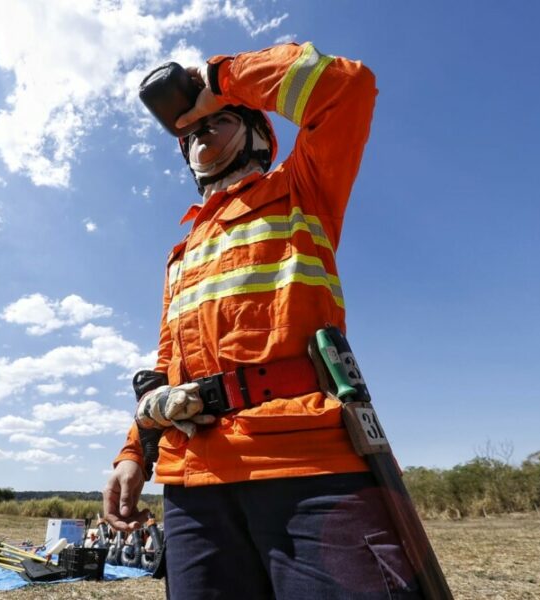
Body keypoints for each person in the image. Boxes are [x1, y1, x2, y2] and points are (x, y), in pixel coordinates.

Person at [104, 42, 422, 599]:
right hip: (192, 479)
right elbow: (164, 367)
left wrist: (217, 80)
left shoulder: (302, 188)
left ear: (256, 134)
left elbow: (346, 88)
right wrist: (135, 452)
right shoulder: (181, 254)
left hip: (306, 462)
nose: (198, 136)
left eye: (215, 123)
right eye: (189, 135)